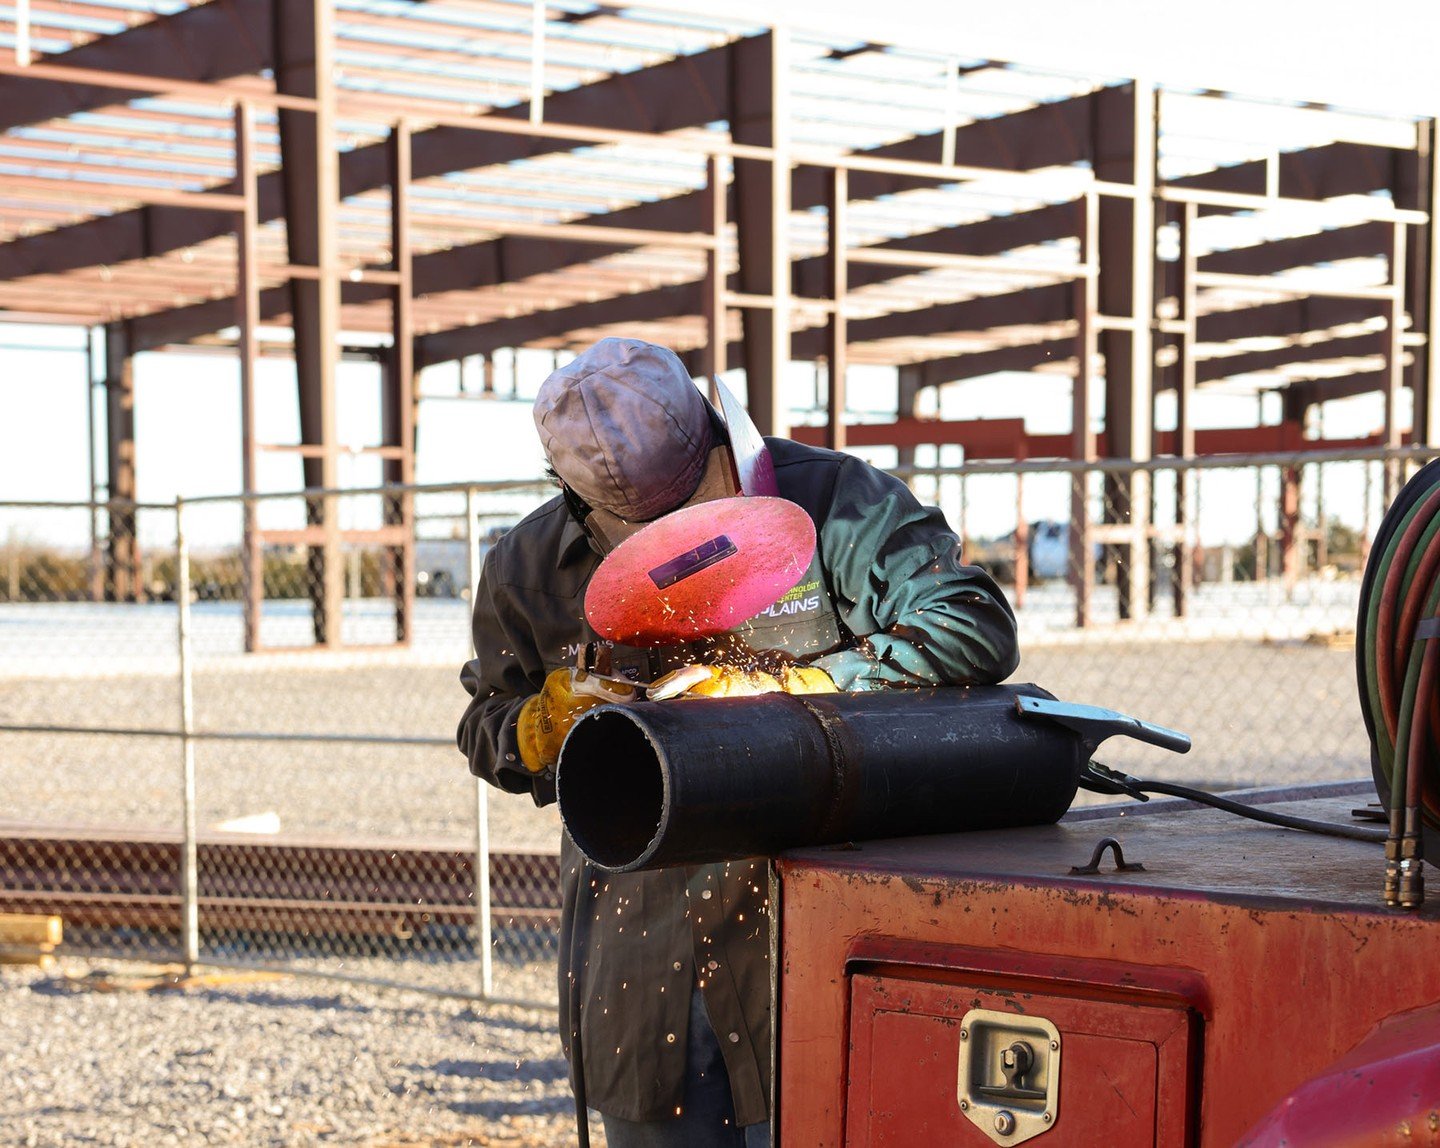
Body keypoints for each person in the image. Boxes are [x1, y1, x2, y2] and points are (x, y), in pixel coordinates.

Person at [457, 337, 1019, 1147]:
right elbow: (486, 729)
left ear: (719, 443)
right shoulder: (529, 564)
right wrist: (541, 727)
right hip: (639, 966)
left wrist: (806, 689)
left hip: (812, 938)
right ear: (577, 499)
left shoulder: (837, 505)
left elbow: (973, 625)